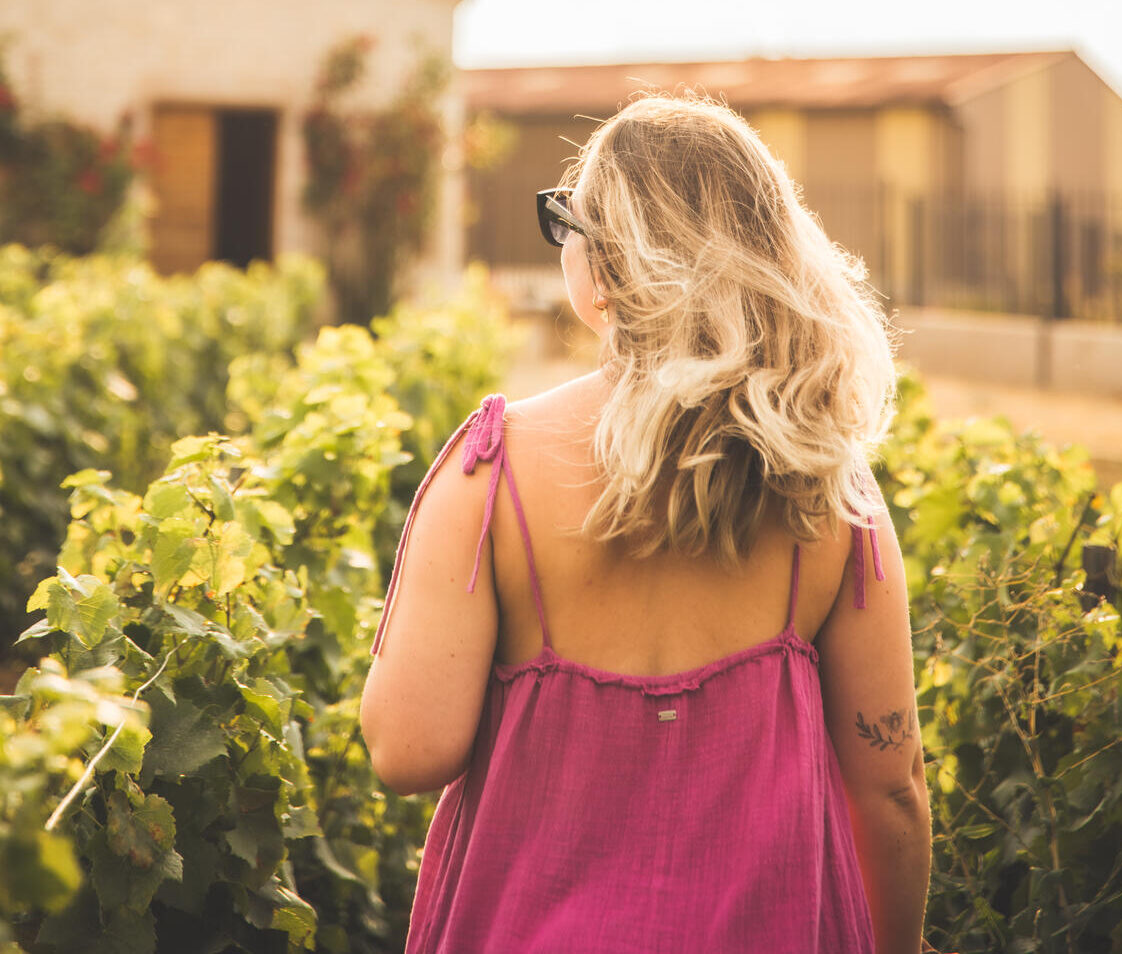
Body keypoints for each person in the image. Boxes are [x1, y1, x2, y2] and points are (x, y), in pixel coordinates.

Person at [360, 93, 931, 953]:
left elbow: (407, 750)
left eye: (568, 222)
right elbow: (890, 788)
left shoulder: (493, 469)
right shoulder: (830, 490)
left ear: (607, 267)